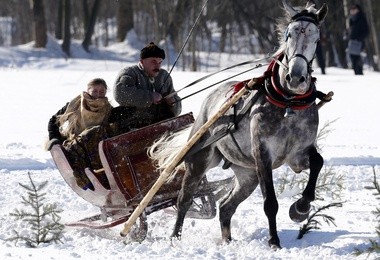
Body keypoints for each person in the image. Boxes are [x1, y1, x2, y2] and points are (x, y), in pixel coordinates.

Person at [46, 78, 114, 190]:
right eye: (95, 91)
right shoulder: (76, 104)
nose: (98, 95)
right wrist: (54, 139)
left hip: (97, 142)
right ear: (88, 91)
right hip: (78, 140)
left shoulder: (107, 108)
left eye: (101, 92)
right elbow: (54, 121)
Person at [113, 42, 182, 128]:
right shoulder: (129, 72)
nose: (157, 66)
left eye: (160, 62)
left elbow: (178, 109)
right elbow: (121, 94)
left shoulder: (164, 76)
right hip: (132, 126)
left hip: (162, 126)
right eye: (153, 62)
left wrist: (173, 103)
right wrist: (149, 97)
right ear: (142, 61)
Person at [347, 4, 369, 75]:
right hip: (352, 41)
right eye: (352, 9)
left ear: (358, 10)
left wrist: (360, 38)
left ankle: (359, 74)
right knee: (352, 57)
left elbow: (366, 31)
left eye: (354, 9)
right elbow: (350, 30)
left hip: (359, 42)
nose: (352, 11)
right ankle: (356, 73)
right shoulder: (351, 19)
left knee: (357, 58)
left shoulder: (361, 18)